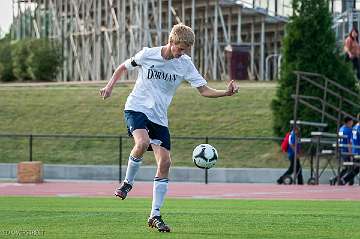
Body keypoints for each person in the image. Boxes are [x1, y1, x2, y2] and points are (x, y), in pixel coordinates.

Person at [99, 23, 239, 233]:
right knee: (142, 142)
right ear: (171, 41)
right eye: (180, 49)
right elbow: (123, 67)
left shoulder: (185, 63)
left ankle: (155, 215)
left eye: (185, 50)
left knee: (165, 162)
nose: (182, 53)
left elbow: (203, 90)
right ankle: (127, 183)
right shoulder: (148, 54)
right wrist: (109, 86)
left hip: (159, 117)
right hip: (136, 108)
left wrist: (225, 93)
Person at [330, 116, 354, 185]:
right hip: (346, 151)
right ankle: (344, 180)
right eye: (352, 121)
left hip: (341, 150)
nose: (352, 123)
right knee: (350, 167)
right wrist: (351, 154)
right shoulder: (349, 130)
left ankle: (336, 179)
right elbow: (349, 142)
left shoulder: (341, 129)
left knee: (346, 167)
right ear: (349, 122)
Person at [340, 114, 360, 185]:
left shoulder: (354, 127)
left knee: (356, 169)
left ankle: (344, 180)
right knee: (354, 168)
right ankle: (343, 179)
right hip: (358, 151)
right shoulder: (356, 128)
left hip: (354, 151)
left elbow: (351, 141)